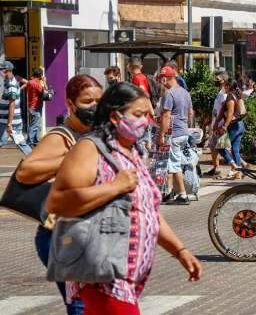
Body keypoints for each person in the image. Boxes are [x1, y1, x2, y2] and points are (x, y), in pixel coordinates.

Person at [46, 82, 202, 314]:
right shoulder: (90, 149)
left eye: (148, 115)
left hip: (127, 276)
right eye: (138, 114)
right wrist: (114, 187)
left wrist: (180, 251)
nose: (146, 121)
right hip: (103, 274)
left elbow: (149, 213)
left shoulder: (133, 153)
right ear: (115, 116)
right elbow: (57, 201)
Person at [17, 74, 103, 315]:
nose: (95, 107)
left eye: (99, 100)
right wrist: (73, 156)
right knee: (82, 306)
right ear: (70, 104)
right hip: (63, 236)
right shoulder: (61, 137)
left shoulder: (97, 132)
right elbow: (25, 171)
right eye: (88, 101)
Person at [157, 66, 194, 205]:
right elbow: (191, 113)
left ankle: (182, 195)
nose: (161, 81)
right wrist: (187, 127)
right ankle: (169, 192)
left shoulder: (169, 93)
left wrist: (161, 134)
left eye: (161, 78)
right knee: (171, 162)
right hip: (183, 131)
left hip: (174, 133)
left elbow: (166, 115)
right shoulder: (185, 92)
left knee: (174, 164)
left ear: (166, 78)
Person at [213, 80, 246, 179]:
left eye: (224, 86)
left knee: (220, 147)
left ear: (228, 86)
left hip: (234, 126)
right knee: (235, 150)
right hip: (240, 125)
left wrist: (224, 126)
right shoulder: (236, 95)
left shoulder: (230, 97)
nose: (223, 88)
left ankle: (234, 166)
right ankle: (239, 173)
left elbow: (230, 112)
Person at [0, 61, 32, 155]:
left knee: (21, 143)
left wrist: (9, 123)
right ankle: (34, 159)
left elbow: (12, 104)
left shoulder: (11, 84)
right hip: (5, 120)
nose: (0, 72)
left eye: (1, 70)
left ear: (7, 70)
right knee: (20, 143)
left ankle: (35, 160)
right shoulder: (7, 82)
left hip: (9, 122)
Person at [206, 71, 228, 176]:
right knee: (213, 146)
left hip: (220, 124)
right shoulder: (221, 92)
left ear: (224, 80)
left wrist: (221, 124)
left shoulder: (224, 94)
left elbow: (225, 109)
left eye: (218, 80)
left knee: (222, 148)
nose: (216, 81)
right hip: (217, 123)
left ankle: (237, 166)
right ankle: (216, 167)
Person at [26, 68, 48, 147]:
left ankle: (35, 140)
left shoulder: (30, 82)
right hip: (35, 107)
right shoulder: (36, 84)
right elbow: (46, 92)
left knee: (37, 124)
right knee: (35, 125)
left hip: (32, 106)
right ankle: (29, 141)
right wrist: (44, 82)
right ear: (40, 75)